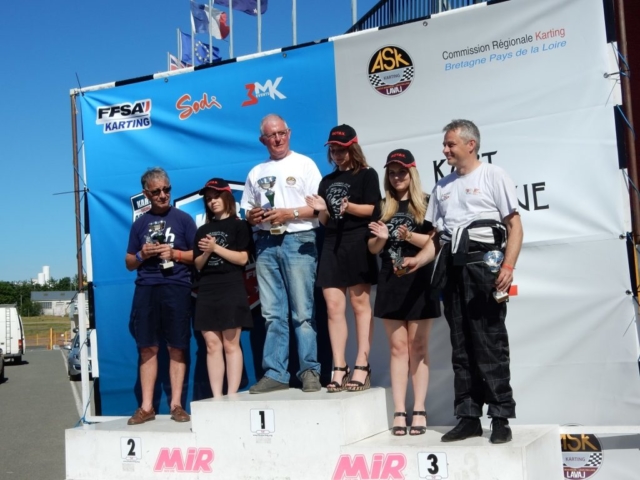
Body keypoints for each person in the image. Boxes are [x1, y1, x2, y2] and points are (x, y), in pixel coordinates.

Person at [403, 120, 523, 444]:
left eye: (450, 144)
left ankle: (500, 417)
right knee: (461, 346)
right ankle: (468, 417)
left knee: (490, 343)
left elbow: (514, 226)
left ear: (471, 144)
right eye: (444, 144)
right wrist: (417, 260)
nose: (445, 150)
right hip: (452, 269)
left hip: (485, 267)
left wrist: (508, 265)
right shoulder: (442, 186)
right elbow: (437, 239)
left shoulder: (493, 175)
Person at [240, 114, 322, 394]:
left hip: (299, 239)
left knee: (303, 312)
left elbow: (319, 209)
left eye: (282, 133)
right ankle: (276, 372)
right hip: (265, 242)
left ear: (289, 133)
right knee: (272, 314)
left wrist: (289, 213)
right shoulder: (256, 172)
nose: (278, 139)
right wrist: (253, 216)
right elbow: (248, 210)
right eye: (271, 135)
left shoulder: (305, 164)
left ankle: (309, 370)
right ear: (262, 140)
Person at [368, 149, 441, 435]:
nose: (397, 177)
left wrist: (409, 235)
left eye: (402, 171)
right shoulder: (382, 206)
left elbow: (436, 244)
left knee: (418, 346)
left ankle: (419, 409)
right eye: (392, 172)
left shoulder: (427, 203)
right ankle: (399, 410)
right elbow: (372, 248)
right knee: (398, 348)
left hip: (421, 280)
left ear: (412, 173)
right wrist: (381, 239)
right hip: (391, 280)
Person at [305, 124, 380, 392]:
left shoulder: (367, 174)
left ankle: (362, 364)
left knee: (360, 305)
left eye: (342, 150)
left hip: (358, 241)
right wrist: (322, 209)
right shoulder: (327, 181)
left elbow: (374, 209)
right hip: (332, 244)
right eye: (334, 150)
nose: (337, 154)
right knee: (334, 307)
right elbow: (325, 221)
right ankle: (339, 366)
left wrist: (349, 207)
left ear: (353, 148)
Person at [125, 167, 197, 425]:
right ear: (146, 194)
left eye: (167, 189)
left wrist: (175, 254)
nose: (163, 195)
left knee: (177, 346)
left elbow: (198, 257)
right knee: (147, 347)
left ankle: (177, 405)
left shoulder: (184, 219)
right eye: (156, 192)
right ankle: (146, 407)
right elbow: (129, 262)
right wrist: (142, 254)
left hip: (176, 287)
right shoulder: (139, 224)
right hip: (146, 288)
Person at [193, 178, 253, 398]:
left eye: (217, 196)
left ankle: (232, 394)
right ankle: (217, 397)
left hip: (231, 286)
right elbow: (198, 264)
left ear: (227, 197)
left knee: (230, 344)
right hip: (207, 289)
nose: (213, 201)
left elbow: (242, 259)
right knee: (211, 344)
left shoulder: (240, 225)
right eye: (209, 199)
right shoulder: (202, 230)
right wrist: (207, 252)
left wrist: (215, 247)